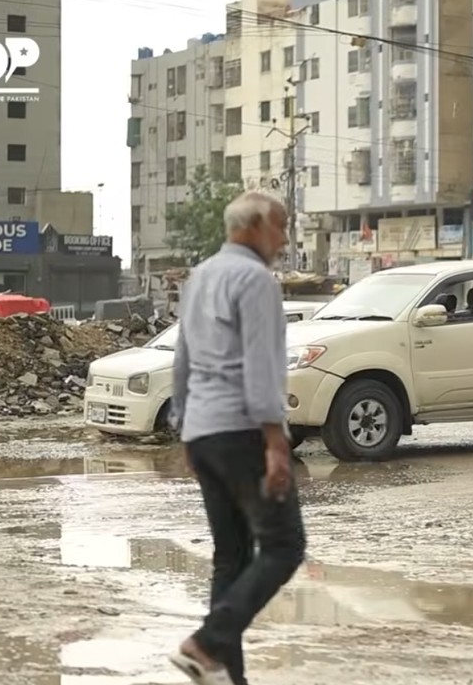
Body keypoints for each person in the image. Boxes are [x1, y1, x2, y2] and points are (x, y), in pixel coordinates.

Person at [167, 191, 305, 685]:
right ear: (253, 227)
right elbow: (263, 368)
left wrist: (186, 431)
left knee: (232, 556)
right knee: (285, 545)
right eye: (281, 226)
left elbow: (181, 360)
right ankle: (206, 643)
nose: (285, 239)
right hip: (242, 429)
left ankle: (224, 674)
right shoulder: (255, 281)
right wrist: (276, 442)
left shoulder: (200, 277)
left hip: (204, 432)